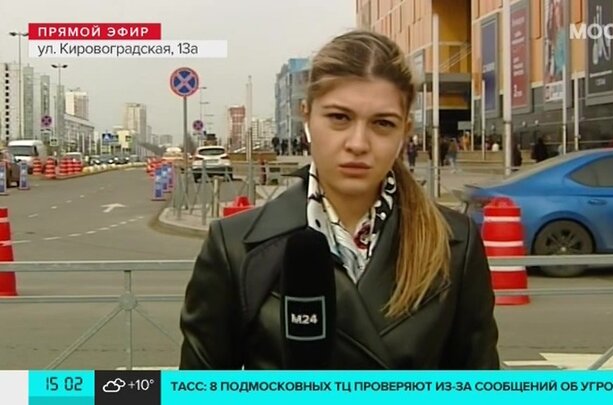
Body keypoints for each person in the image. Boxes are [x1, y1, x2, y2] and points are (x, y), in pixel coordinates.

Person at [179, 30, 499, 370]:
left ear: (405, 131)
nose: (358, 143)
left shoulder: (455, 243)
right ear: (307, 116)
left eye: (382, 123)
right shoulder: (235, 248)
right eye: (339, 118)